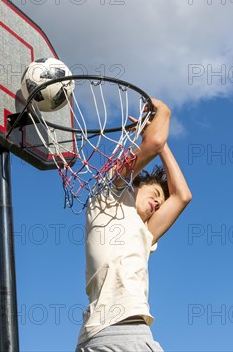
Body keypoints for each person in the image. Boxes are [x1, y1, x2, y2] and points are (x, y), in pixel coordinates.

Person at [75, 99, 193, 352]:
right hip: (117, 333)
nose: (157, 205)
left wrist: (163, 147)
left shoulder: (145, 233)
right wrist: (163, 111)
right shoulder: (105, 198)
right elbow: (153, 142)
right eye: (155, 195)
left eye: (160, 204)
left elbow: (182, 196)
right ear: (136, 186)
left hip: (120, 333)